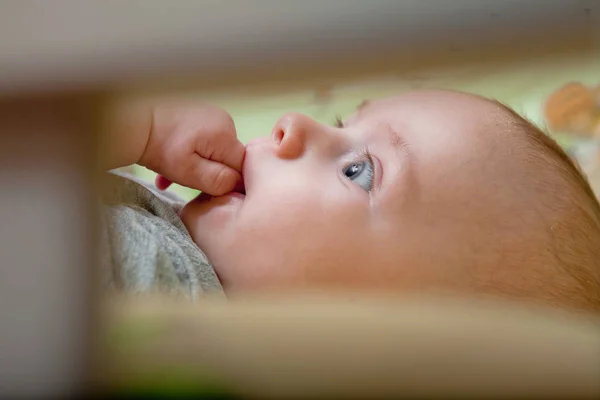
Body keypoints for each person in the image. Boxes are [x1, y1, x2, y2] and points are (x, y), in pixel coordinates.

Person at [99, 90, 600, 312]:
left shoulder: (155, 282)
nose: (293, 123)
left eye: (357, 172)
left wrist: (126, 125)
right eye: (341, 124)